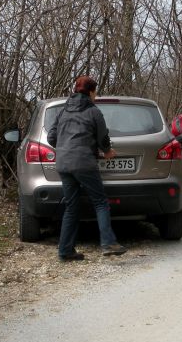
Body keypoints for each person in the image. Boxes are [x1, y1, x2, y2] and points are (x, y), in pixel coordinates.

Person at [47, 76, 128, 261]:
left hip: (63, 164)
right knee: (100, 202)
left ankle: (65, 251)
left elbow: (52, 138)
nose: (96, 96)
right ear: (91, 92)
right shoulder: (93, 111)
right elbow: (103, 137)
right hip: (83, 162)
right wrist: (106, 151)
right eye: (95, 92)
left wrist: (66, 146)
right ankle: (108, 242)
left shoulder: (64, 111)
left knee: (71, 207)